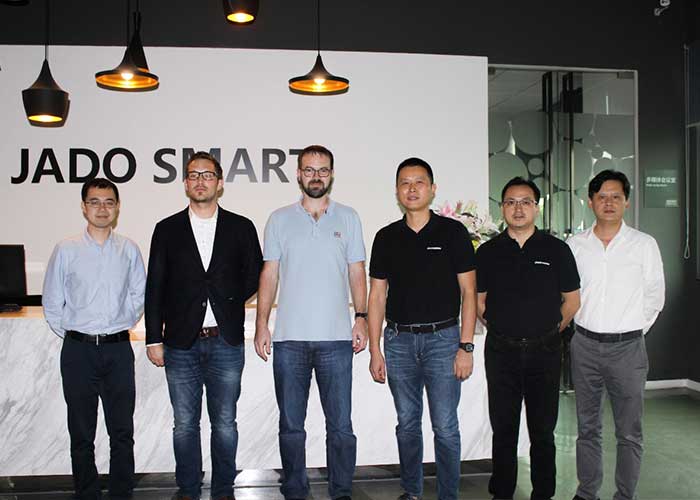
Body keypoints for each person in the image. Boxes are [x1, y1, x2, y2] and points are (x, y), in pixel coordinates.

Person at [145, 151, 262, 500]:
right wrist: (153, 337)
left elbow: (254, 274)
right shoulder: (167, 229)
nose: (200, 181)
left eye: (207, 175)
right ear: (185, 183)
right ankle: (189, 489)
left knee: (225, 423)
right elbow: (155, 286)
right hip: (180, 343)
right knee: (184, 424)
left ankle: (224, 490)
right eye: (193, 175)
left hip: (226, 341)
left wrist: (228, 299)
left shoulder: (241, 227)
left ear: (220, 183)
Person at [254, 144, 367, 500]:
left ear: (331, 174)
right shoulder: (278, 219)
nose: (315, 176)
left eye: (322, 170)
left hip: (337, 340)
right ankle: (294, 490)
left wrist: (361, 317)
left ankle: (342, 491)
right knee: (291, 426)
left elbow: (357, 272)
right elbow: (270, 274)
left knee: (341, 427)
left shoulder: (348, 217)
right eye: (309, 170)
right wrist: (261, 324)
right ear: (298, 174)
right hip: (289, 340)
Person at [368, 157, 477, 500]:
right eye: (405, 183)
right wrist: (375, 349)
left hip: (443, 341)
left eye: (419, 182)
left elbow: (469, 292)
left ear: (432, 189)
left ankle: (448, 495)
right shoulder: (386, 237)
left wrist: (466, 346)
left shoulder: (453, 233)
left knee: (445, 426)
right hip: (398, 341)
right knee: (407, 424)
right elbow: (377, 295)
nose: (412, 189)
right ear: (397, 191)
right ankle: (411, 491)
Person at [476, 176, 581, 500]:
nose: (518, 208)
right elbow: (479, 302)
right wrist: (503, 327)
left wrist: (548, 330)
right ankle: (502, 491)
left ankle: (543, 493)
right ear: (502, 208)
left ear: (537, 208)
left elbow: (572, 301)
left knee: (543, 431)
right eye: (510, 202)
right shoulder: (489, 252)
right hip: (501, 352)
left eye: (525, 202)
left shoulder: (557, 250)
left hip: (544, 352)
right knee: (503, 428)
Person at [43, 177, 146, 500]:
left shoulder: (129, 250)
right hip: (78, 352)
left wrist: (119, 324)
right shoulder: (66, 249)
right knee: (81, 434)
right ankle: (86, 494)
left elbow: (138, 295)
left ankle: (121, 494)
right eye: (95, 202)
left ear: (117, 208)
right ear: (83, 207)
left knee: (122, 432)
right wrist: (76, 334)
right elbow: (52, 302)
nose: (102, 209)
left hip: (118, 350)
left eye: (109, 202)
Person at [567, 170, 665, 500]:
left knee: (629, 431)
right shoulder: (576, 245)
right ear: (590, 201)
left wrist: (631, 330)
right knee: (587, 428)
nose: (608, 202)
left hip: (628, 349)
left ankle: (625, 495)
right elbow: (567, 294)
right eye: (602, 197)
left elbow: (655, 296)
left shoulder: (644, 244)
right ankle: (587, 492)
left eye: (616, 197)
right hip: (584, 345)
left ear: (626, 202)